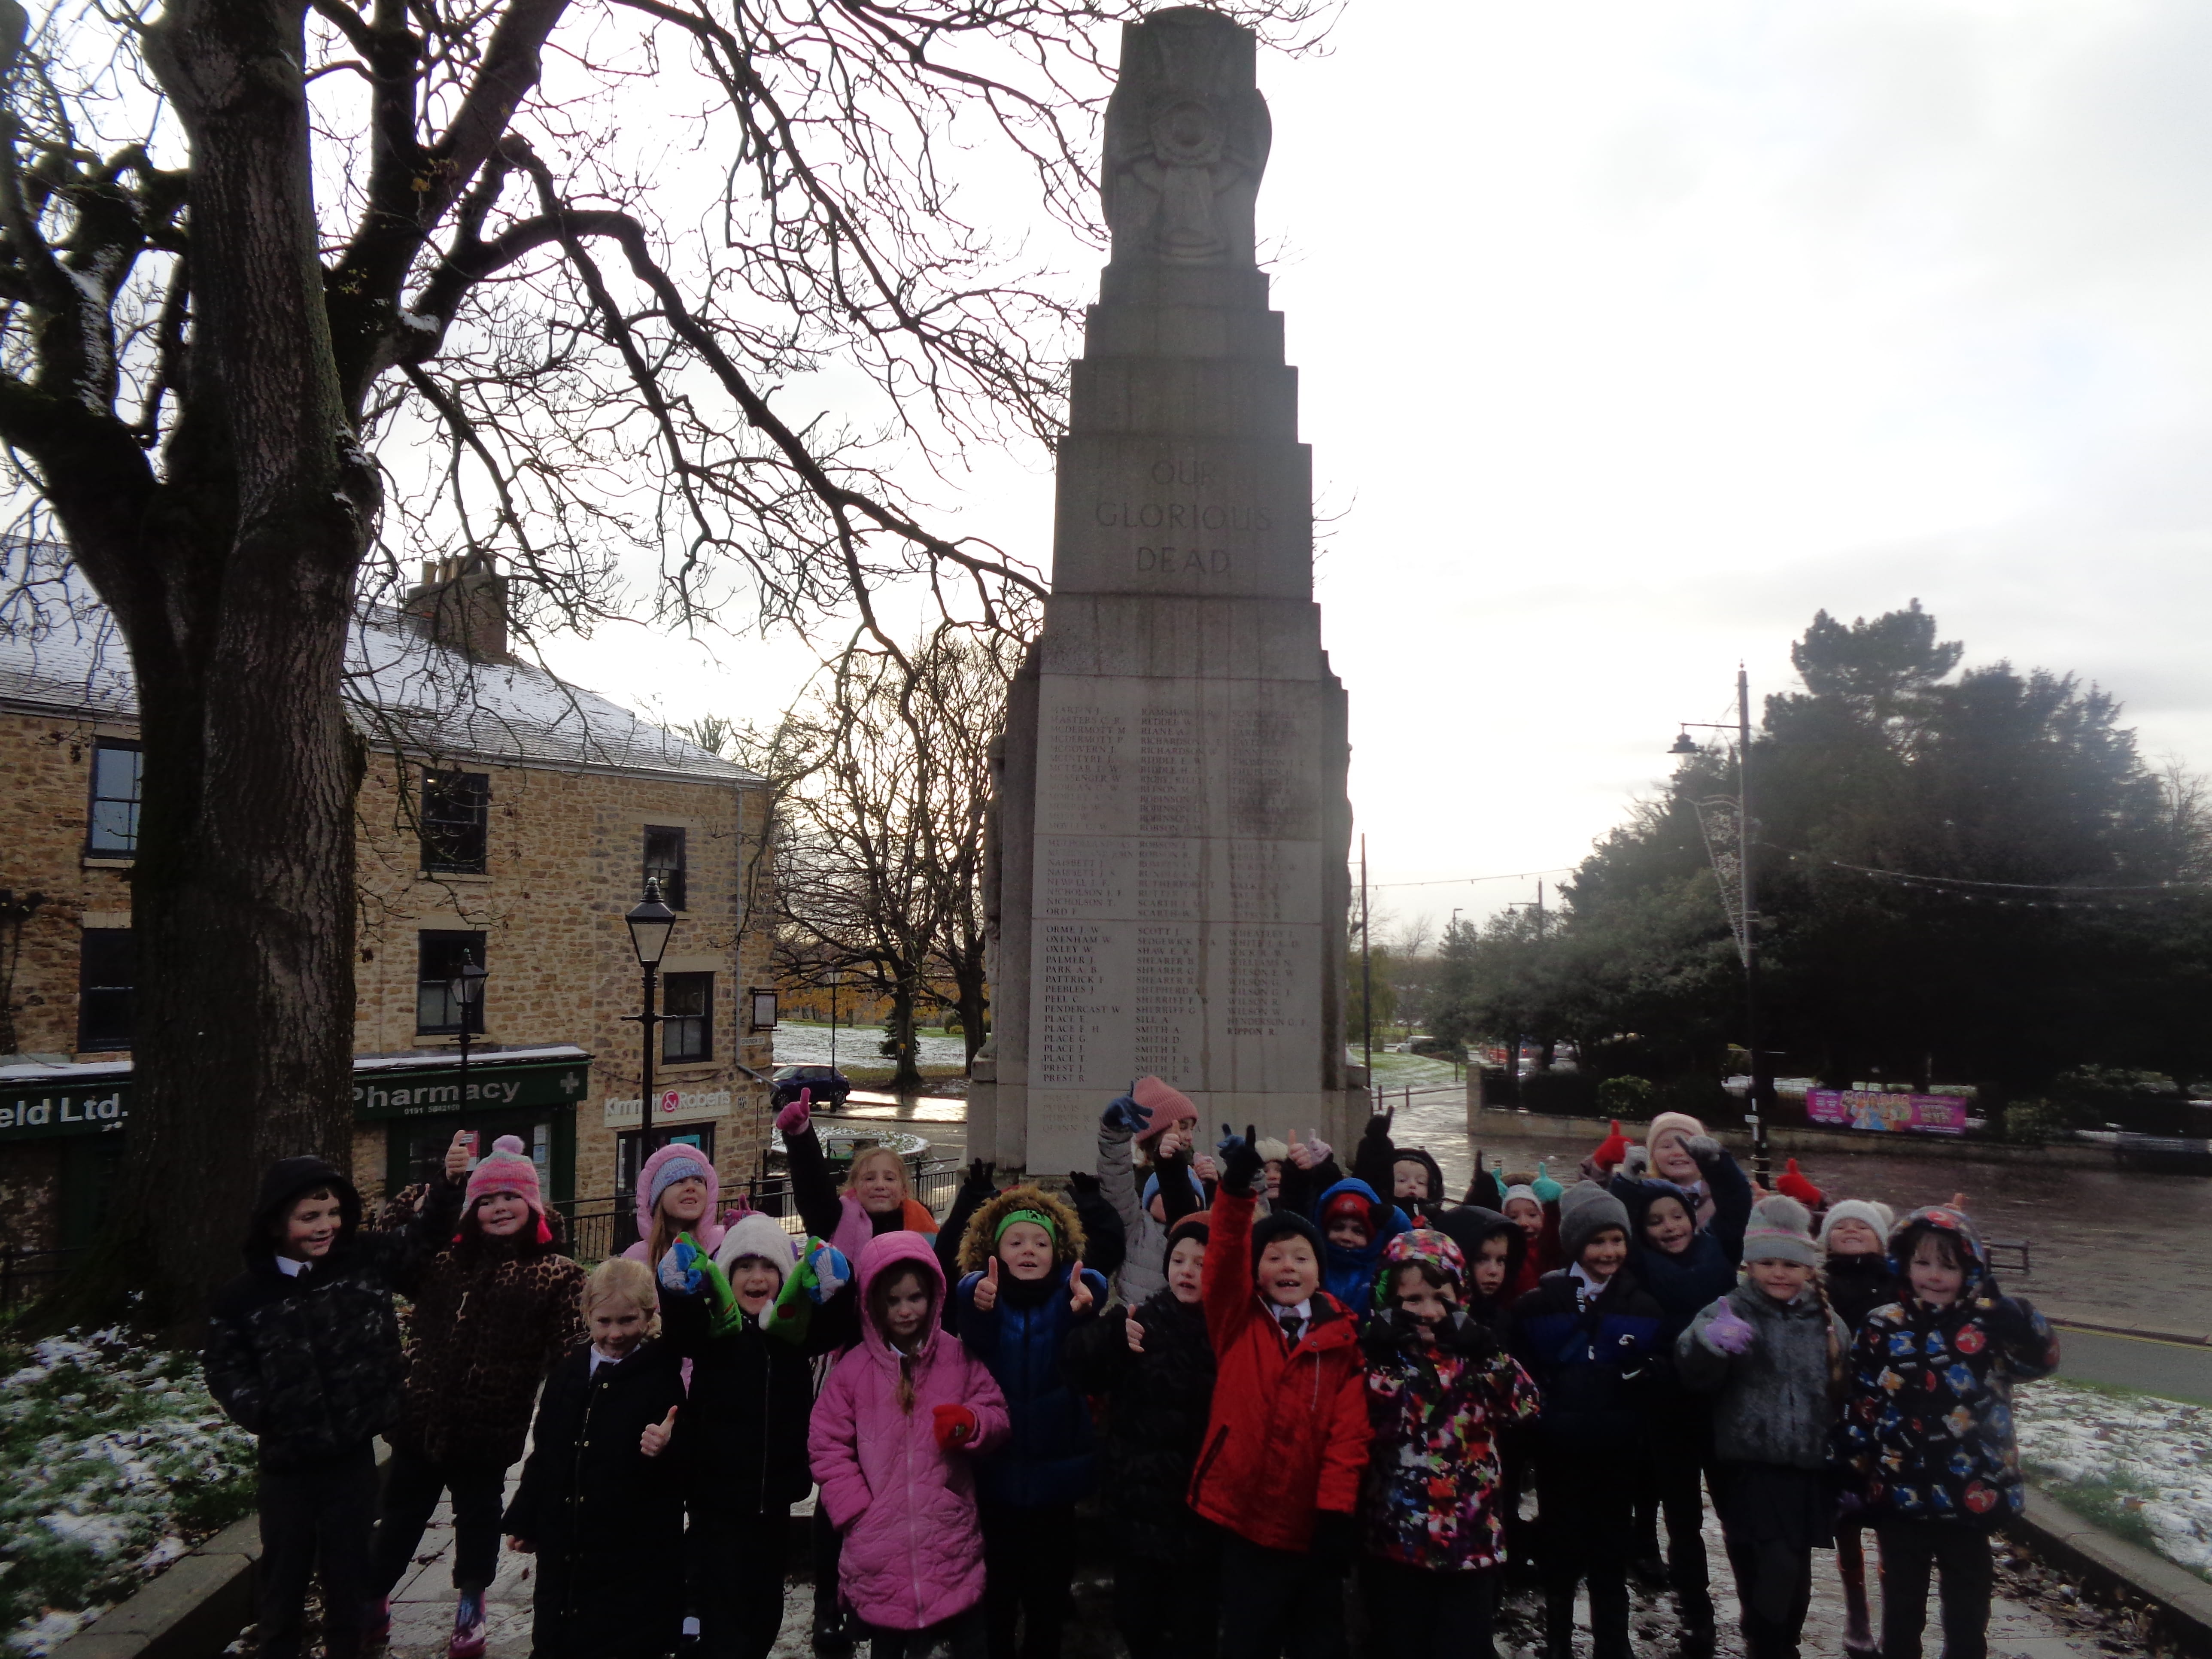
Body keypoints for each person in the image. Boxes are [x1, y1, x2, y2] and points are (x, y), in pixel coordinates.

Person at [204, 1140, 467, 1659]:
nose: (325, 1226)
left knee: (349, 1576)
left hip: (351, 1454)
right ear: (276, 1224)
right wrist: (262, 1411)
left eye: (333, 1214)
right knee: (284, 1577)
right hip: (288, 1462)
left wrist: (449, 1184)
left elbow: (422, 1237)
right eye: (310, 1217)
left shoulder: (362, 1260)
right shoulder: (242, 1297)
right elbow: (224, 1366)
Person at [368, 1136, 585, 1658]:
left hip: (489, 1428)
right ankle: (372, 1597)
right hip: (420, 1418)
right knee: (399, 1516)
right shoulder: (442, 1261)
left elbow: (572, 1350)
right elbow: (390, 1248)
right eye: (486, 1200)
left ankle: (471, 1601)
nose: (499, 1208)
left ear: (532, 1205)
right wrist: (442, 1188)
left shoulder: (555, 1275)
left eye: (511, 1197)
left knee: (478, 1518)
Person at [1838, 1206, 2059, 1659]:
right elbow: (1862, 1401)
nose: (1934, 1276)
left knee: (1967, 1610)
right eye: (1922, 1263)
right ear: (1903, 1263)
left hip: (1970, 1492)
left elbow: (2039, 1362)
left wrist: (2023, 1323)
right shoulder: (1882, 1325)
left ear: (1970, 1269)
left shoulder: (1987, 1325)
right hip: (1900, 1492)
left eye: (1948, 1266)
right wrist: (1850, 1466)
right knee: (1901, 1607)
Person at [1189, 1126, 1369, 1659]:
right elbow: (1224, 1259)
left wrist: (1336, 1512)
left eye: (1301, 1257)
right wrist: (1235, 1192)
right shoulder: (1237, 1322)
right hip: (1242, 1517)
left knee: (1320, 1641)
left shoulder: (1342, 1338)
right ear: (1257, 1272)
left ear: (1319, 1271)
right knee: (1248, 1638)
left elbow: (1349, 1436)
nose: (1288, 1266)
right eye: (1274, 1257)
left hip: (1310, 1523)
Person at [778, 1095, 937, 1652]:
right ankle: (830, 1601)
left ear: (904, 1187)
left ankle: (885, 1595)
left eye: (889, 1176)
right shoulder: (840, 1222)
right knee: (841, 1490)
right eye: (868, 1176)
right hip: (849, 1369)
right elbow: (813, 1193)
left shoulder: (924, 1230)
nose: (879, 1184)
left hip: (907, 1375)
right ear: (854, 1186)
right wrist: (801, 1137)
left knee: (895, 1490)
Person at [659, 1212, 855, 1659]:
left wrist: (838, 1286)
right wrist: (673, 1289)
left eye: (768, 1267)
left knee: (765, 1606)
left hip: (775, 1495)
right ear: (725, 1276)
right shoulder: (713, 1331)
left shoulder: (791, 1334)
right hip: (718, 1498)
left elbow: (835, 1325)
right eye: (744, 1267)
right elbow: (681, 1327)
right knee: (723, 1605)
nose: (757, 1277)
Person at [809, 1232, 1011, 1659]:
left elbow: (994, 1410)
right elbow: (827, 1442)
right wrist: (856, 1510)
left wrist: (972, 1424)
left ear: (933, 1297)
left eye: (915, 1298)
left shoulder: (957, 1357)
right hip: (878, 1546)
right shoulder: (854, 1370)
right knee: (889, 1645)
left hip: (948, 1537)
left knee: (970, 1642)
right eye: (893, 1300)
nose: (905, 1310)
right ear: (872, 1304)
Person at [1677, 1198, 1850, 1659]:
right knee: (1774, 1561)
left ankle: (1777, 1639)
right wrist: (1710, 1345)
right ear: (1749, 1265)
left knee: (1796, 1571)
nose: (1779, 1273)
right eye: (1768, 1263)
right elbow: (1692, 1371)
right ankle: (1769, 1644)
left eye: (1791, 1264)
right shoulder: (1729, 1310)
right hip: (1750, 1463)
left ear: (1808, 1268)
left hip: (1809, 1465)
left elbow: (1844, 1391)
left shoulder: (1828, 1323)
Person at [1360, 1229, 1541, 1659]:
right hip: (1398, 1539)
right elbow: (1369, 1424)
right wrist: (1378, 1360)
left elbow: (1525, 1406)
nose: (1429, 1312)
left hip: (1470, 1542)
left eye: (1441, 1299)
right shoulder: (1378, 1362)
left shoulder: (1475, 1359)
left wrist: (1489, 1354)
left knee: (1463, 1645)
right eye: (1413, 1300)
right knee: (1398, 1643)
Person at [1506, 1182, 1667, 1659]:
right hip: (1558, 1452)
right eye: (1598, 1242)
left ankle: (1613, 1643)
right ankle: (1558, 1641)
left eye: (1617, 1240)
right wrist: (1538, 1424)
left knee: (1611, 1552)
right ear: (1576, 1244)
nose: (1609, 1252)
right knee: (1561, 1549)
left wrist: (1650, 1372)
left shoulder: (1643, 1306)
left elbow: (1662, 1370)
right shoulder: (1538, 1304)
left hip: (1618, 1451)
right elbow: (1520, 1372)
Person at [950, 1185, 1107, 1659]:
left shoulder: (1066, 1300)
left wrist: (1091, 1294)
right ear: (994, 1250)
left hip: (1055, 1475)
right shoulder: (987, 1299)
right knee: (997, 1587)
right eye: (1015, 1242)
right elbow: (969, 1318)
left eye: (1041, 1243)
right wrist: (974, 1292)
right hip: (996, 1472)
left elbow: (1092, 1284)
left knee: (1048, 1590)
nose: (1029, 1251)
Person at [1607, 1131, 1753, 1639]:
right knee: (1682, 1518)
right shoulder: (1640, 1265)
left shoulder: (1720, 1248)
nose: (1669, 1227)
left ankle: (1754, 1607)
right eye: (1656, 1222)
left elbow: (1736, 1201)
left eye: (1676, 1216)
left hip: (1722, 1402)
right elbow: (1619, 1219)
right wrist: (1627, 1180)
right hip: (1668, 1405)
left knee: (1737, 1514)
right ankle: (1695, 1612)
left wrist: (1717, 1160)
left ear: (1692, 1217)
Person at [503, 1257, 687, 1659]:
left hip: (631, 1545)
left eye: (628, 1320)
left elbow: (681, 1468)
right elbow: (546, 1451)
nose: (615, 1333)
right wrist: (526, 1516)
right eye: (604, 1321)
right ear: (587, 1315)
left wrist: (667, 1446)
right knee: (558, 1633)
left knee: (621, 1639)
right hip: (566, 1538)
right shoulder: (568, 1371)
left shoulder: (659, 1375)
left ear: (648, 1316)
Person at [1063, 1214, 1219, 1659]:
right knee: (1137, 1620)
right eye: (1180, 1260)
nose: (1187, 1271)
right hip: (1138, 1507)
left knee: (1193, 1629)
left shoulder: (1227, 1333)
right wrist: (1106, 1334)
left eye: (1202, 1263)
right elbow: (1079, 1370)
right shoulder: (1141, 1321)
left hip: (1199, 1515)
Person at [1819, 1198, 1898, 1659]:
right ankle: (1856, 1612)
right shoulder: (1818, 1286)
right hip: (1838, 1419)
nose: (1851, 1230)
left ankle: (1893, 1613)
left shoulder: (1897, 1284)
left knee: (1891, 1524)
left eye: (1862, 1226)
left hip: (1889, 1420)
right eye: (1840, 1225)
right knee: (1846, 1521)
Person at [1098, 1078, 1204, 1305]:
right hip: (1138, 1319)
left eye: (1191, 1128)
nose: (1189, 1136)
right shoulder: (1137, 1225)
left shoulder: (1196, 1176)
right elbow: (1115, 1179)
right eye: (1182, 1126)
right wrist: (1114, 1135)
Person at [1311, 1175, 1408, 1318]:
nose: (1346, 1237)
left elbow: (1411, 1249)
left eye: (1358, 1231)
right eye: (1338, 1228)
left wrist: (1396, 1219)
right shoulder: (1314, 1265)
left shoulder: (1379, 1269)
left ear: (1373, 1236)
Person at [622, 1141, 727, 1265]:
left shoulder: (725, 1242)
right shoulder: (635, 1260)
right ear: (659, 1198)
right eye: (680, 1181)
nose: (691, 1187)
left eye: (699, 1181)